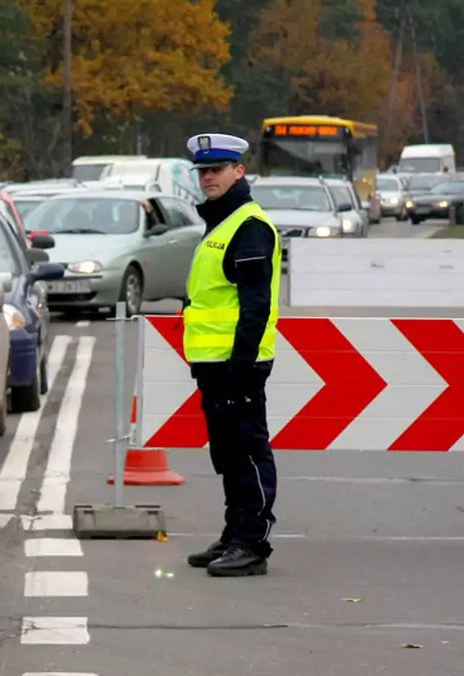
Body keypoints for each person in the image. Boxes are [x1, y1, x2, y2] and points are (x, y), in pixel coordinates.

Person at [181, 133, 282, 578]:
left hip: (239, 364)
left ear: (239, 171)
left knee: (246, 451)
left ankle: (252, 544)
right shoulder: (221, 222)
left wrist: (241, 364)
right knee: (227, 454)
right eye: (203, 171)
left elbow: (255, 303)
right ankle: (233, 533)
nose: (208, 178)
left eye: (217, 169)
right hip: (215, 364)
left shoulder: (249, 225)